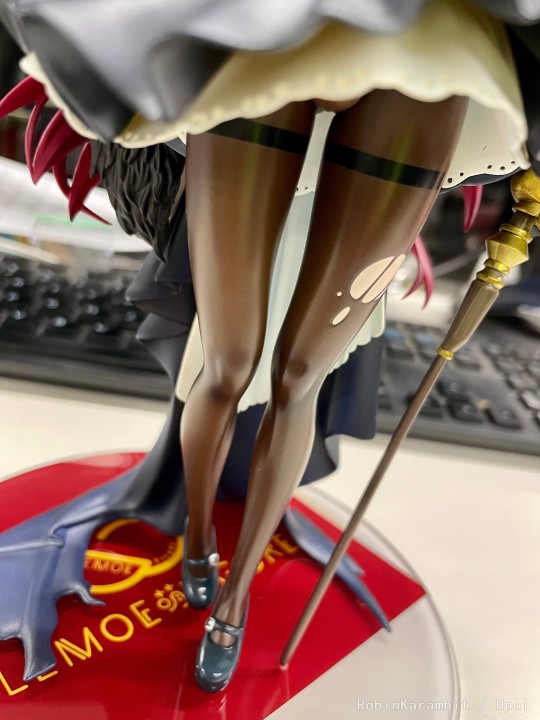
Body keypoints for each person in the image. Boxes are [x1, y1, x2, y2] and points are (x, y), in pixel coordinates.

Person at [1, 0, 539, 693]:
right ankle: (199, 539)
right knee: (227, 362)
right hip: (262, 32)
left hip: (424, 54)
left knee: (301, 374)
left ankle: (235, 601)